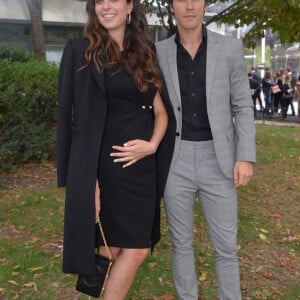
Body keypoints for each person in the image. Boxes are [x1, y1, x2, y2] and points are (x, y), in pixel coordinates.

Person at [56, 0, 176, 298]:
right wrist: (87, 183)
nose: (105, 6)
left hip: (142, 171)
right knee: (118, 249)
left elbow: (162, 111)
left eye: (114, 0)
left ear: (129, 7)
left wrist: (151, 146)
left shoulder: (146, 50)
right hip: (104, 168)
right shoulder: (79, 51)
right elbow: (72, 120)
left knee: (130, 249)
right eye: (99, 1)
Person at [155, 0, 256, 299]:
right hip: (176, 159)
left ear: (205, 5)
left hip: (220, 159)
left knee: (226, 248)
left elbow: (243, 105)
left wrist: (245, 156)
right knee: (181, 244)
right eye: (182, 0)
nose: (189, 6)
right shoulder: (158, 52)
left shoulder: (229, 49)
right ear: (172, 6)